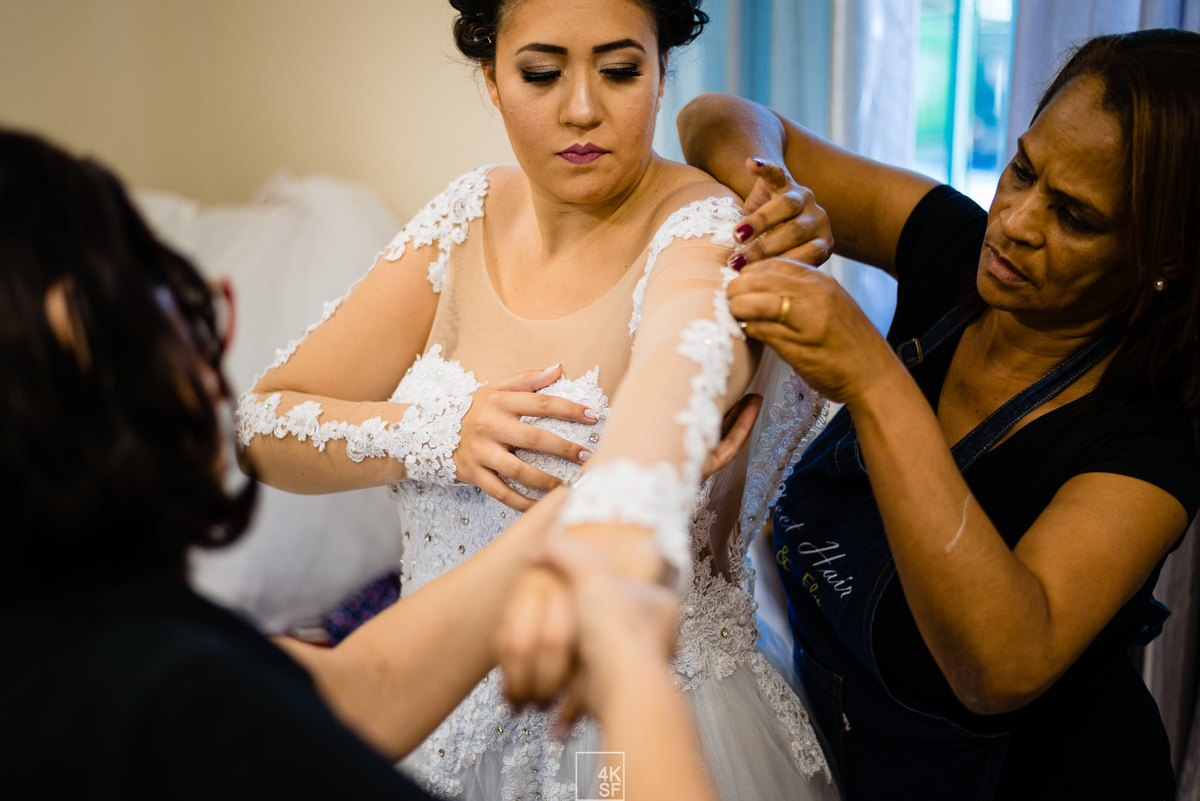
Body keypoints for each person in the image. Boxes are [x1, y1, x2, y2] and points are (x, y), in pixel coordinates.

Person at [0, 127, 726, 801]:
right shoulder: (183, 704)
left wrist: (584, 500)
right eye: (173, 292)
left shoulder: (73, 633)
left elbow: (363, 686)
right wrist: (630, 664)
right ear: (77, 331)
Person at [236, 1, 840, 799]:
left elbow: (680, 361)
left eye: (621, 70)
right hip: (431, 713)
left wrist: (627, 502)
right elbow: (265, 422)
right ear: (491, 76)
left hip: (635, 732)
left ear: (663, 71)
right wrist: (433, 433)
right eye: (542, 73)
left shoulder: (706, 232)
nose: (582, 108)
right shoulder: (464, 216)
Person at [678, 27, 1200, 801]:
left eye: (1076, 217)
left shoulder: (1147, 443)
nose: (1017, 221)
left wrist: (874, 378)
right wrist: (776, 190)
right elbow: (712, 117)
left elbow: (1000, 664)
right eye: (1022, 169)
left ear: (1160, 255)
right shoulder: (954, 251)